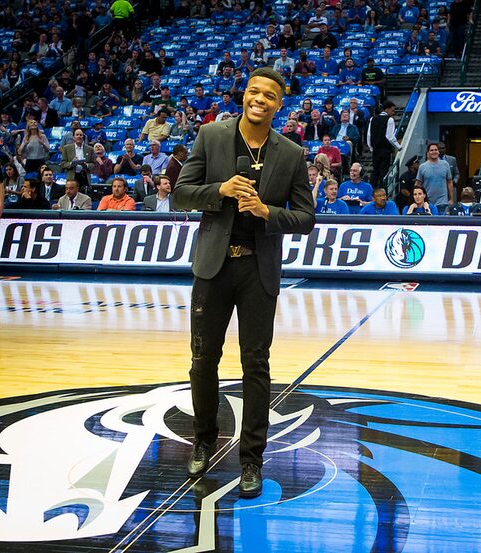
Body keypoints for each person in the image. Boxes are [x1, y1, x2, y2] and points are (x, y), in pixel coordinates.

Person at [172, 67, 316, 499]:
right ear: (245, 95)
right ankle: (202, 440)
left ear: (278, 104)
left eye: (269, 95)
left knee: (256, 366)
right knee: (203, 360)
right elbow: (181, 192)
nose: (260, 99)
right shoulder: (211, 136)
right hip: (213, 267)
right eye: (254, 91)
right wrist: (221, 190)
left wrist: (266, 212)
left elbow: (306, 219)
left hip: (258, 269)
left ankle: (252, 459)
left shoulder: (290, 153)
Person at [367, 101, 402, 186]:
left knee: (375, 171)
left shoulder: (373, 118)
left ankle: (372, 189)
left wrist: (371, 147)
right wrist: (399, 147)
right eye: (392, 110)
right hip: (385, 150)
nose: (393, 113)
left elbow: (369, 135)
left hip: (375, 149)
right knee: (383, 172)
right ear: (387, 109)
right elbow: (389, 136)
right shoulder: (389, 120)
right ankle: (383, 190)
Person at [415, 142, 454, 211]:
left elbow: (449, 182)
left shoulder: (445, 164)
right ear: (428, 152)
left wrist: (451, 199)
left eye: (436, 150)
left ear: (438, 151)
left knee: (441, 221)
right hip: (427, 202)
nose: (434, 152)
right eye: (431, 150)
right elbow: (418, 184)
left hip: (442, 201)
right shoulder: (422, 167)